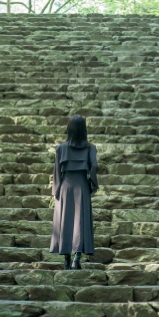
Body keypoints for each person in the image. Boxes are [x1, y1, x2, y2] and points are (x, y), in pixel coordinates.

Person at [50, 114, 98, 269]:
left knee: (65, 221)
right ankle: (77, 258)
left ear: (69, 128)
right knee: (80, 222)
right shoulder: (90, 148)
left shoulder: (61, 148)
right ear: (84, 129)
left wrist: (56, 191)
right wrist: (92, 184)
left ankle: (66, 260)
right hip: (81, 186)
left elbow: (56, 171)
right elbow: (94, 167)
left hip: (65, 187)